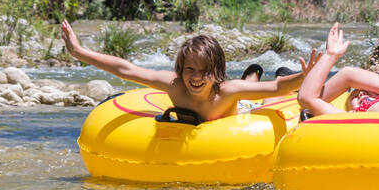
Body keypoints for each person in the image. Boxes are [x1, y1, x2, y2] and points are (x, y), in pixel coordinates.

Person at [59, 21, 317, 122]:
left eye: (204, 71)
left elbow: (277, 88)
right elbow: (127, 69)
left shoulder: (227, 90)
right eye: (190, 69)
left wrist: (304, 76)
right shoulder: (174, 85)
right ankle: (252, 73)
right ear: (180, 69)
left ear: (216, 73)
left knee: (265, 100)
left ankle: (258, 73)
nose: (195, 77)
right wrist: (80, 53)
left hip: (240, 112)